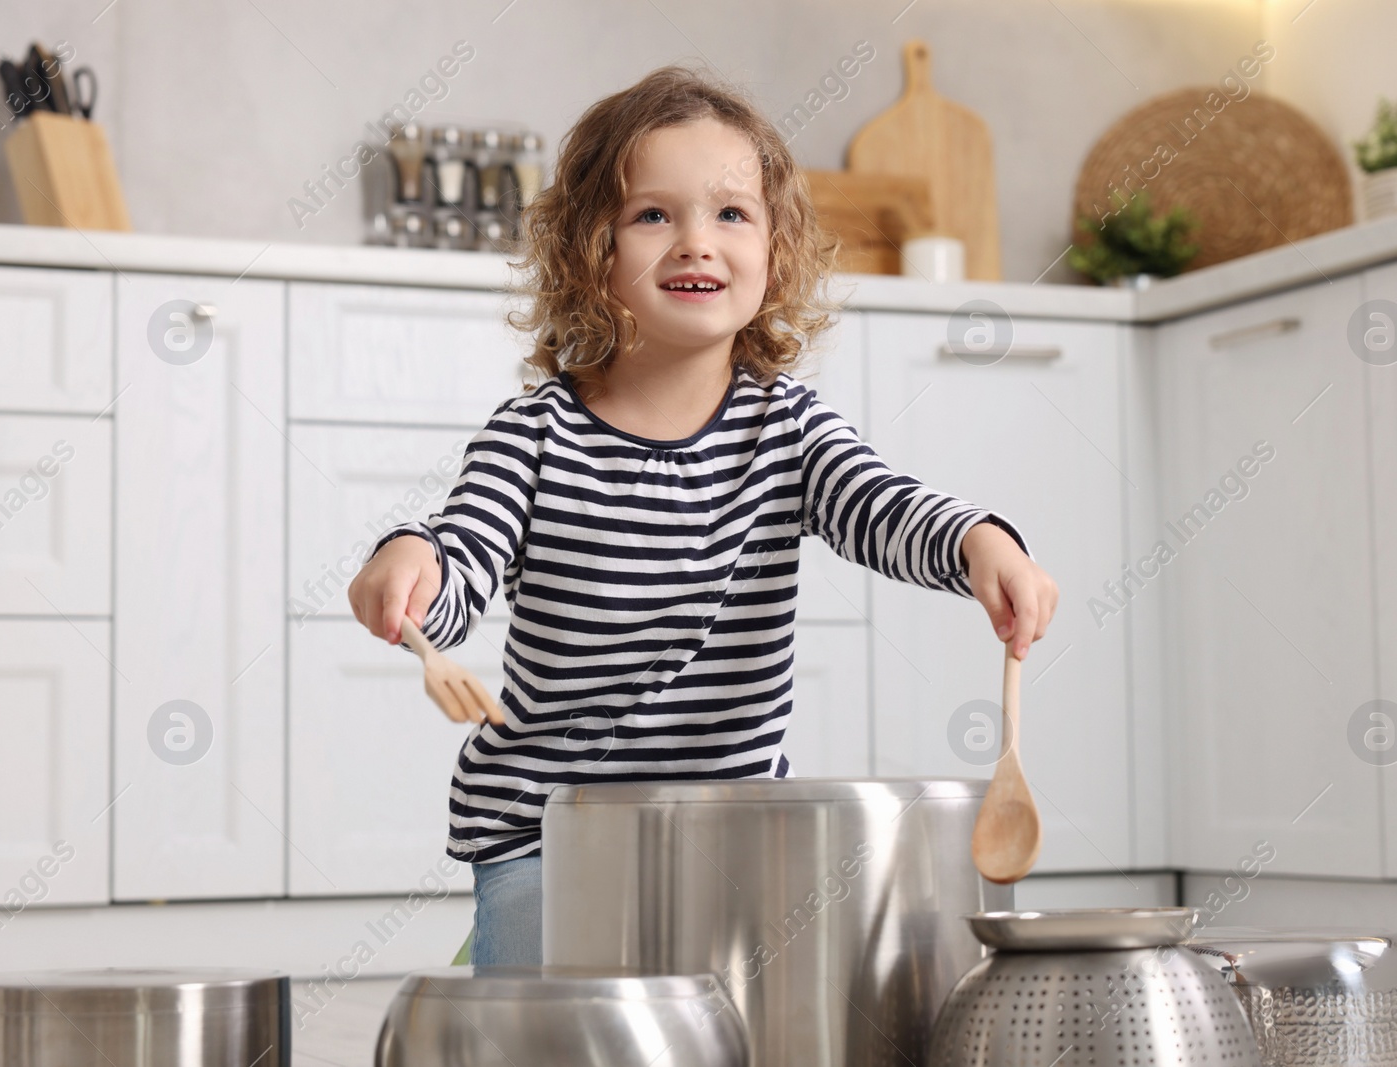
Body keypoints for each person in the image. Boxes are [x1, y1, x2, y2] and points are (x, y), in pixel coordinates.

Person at [347, 64, 1059, 967]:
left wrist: (977, 541)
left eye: (731, 214)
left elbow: (883, 503)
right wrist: (413, 565)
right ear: (589, 249)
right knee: (546, 1014)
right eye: (654, 214)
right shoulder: (535, 434)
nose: (696, 242)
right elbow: (462, 559)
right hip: (545, 831)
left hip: (734, 836)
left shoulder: (788, 430)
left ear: (776, 250)